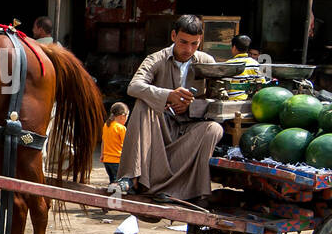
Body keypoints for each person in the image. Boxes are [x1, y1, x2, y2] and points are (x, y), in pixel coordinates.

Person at [110, 14, 223, 203]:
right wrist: (168, 96)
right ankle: (130, 176)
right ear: (173, 36)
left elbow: (218, 101)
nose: (188, 49)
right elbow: (134, 86)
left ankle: (196, 192)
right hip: (161, 126)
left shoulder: (206, 61)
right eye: (183, 42)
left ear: (200, 41)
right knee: (142, 103)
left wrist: (190, 107)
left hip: (190, 128)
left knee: (214, 129)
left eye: (194, 44)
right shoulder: (156, 59)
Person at [226, 34, 263, 100]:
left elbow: (225, 86)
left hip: (231, 101)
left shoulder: (229, 64)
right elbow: (261, 84)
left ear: (234, 48)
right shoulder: (255, 64)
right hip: (250, 102)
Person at [102, 101, 129, 182]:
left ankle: (110, 193)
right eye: (127, 117)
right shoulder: (121, 128)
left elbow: (103, 141)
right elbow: (126, 145)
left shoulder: (106, 125)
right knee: (121, 182)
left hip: (106, 160)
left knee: (112, 181)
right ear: (122, 116)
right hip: (117, 160)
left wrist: (102, 154)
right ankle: (116, 194)